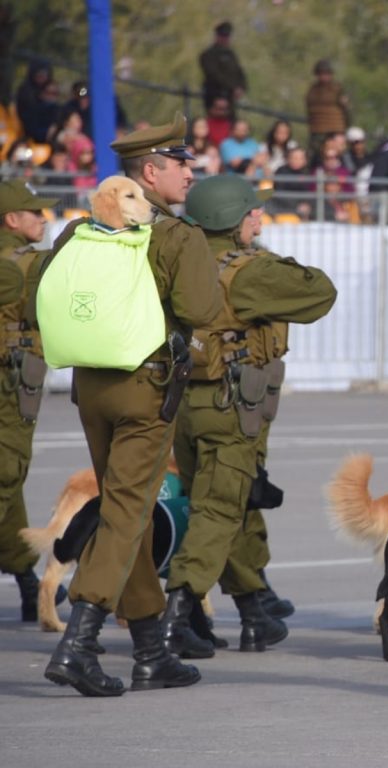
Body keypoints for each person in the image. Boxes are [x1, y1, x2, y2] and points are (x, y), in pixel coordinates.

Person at [39, 114, 221, 697]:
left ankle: (149, 648)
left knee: (131, 513)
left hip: (91, 385)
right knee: (126, 510)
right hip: (147, 387)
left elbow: (50, 288)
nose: (192, 172)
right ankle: (80, 642)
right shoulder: (177, 234)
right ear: (150, 171)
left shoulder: (79, 230)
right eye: (181, 163)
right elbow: (202, 308)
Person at [160, 174, 336, 657]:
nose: (258, 218)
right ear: (230, 219)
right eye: (250, 213)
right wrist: (267, 259)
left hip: (185, 408)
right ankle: (176, 617)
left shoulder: (178, 259)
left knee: (220, 506)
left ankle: (252, 609)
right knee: (219, 512)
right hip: (230, 408)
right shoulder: (249, 272)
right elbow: (320, 292)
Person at [0, 180, 62, 624]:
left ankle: (26, 584)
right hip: (8, 394)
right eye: (35, 213)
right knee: (5, 474)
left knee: (10, 483)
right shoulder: (23, 264)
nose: (44, 219)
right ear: (11, 220)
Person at [305, 59, 351, 164]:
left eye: (326, 73)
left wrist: (343, 129)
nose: (324, 76)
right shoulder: (312, 90)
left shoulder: (337, 89)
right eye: (321, 73)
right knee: (313, 156)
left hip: (336, 129)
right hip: (317, 129)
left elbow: (346, 110)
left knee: (342, 155)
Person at [199, 21, 247, 114]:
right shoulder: (208, 55)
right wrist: (232, 87)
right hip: (215, 96)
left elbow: (239, 72)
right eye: (223, 36)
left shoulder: (231, 55)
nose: (225, 40)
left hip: (230, 98)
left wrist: (241, 87)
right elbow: (213, 75)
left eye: (227, 37)